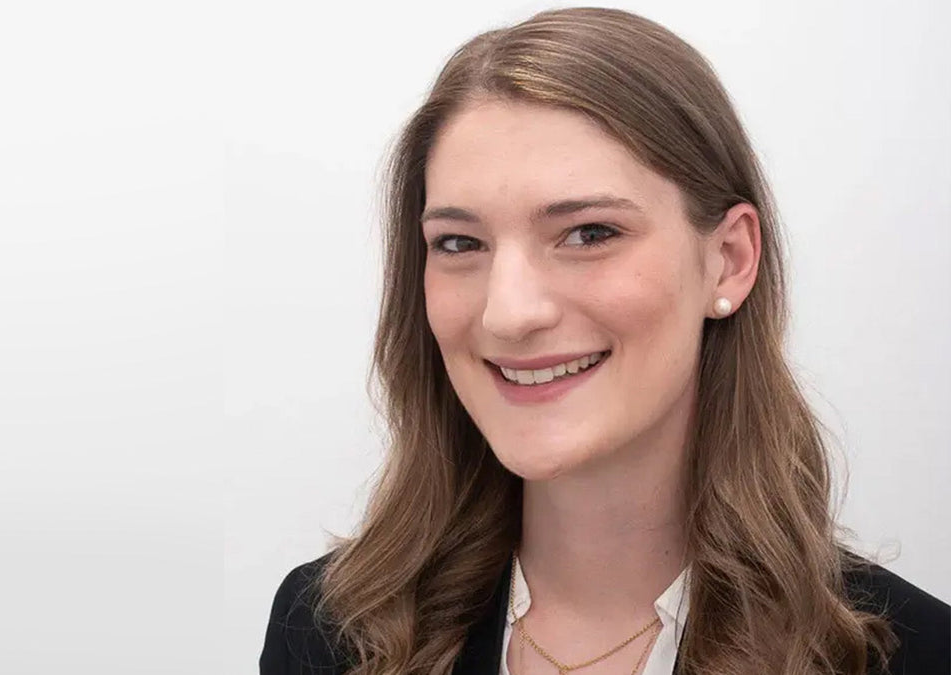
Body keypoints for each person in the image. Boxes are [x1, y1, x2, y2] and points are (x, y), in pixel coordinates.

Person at [258, 7, 950, 675]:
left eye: (589, 233)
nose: (508, 312)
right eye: (460, 243)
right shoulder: (325, 632)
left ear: (730, 260)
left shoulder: (916, 657)